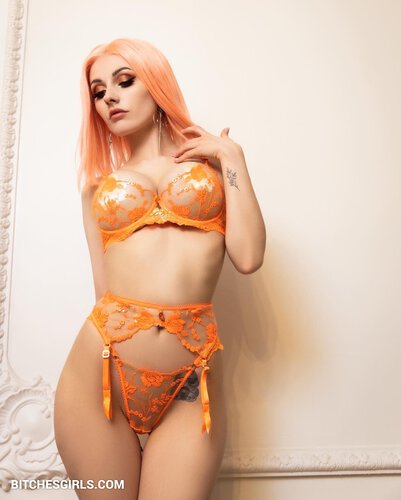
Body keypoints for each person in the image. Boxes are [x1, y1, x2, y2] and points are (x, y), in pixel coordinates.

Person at [54, 37, 266, 500]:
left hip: (191, 381)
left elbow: (249, 258)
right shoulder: (96, 189)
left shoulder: (214, 170)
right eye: (98, 91)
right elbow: (103, 290)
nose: (109, 97)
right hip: (99, 378)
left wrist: (233, 157)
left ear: (156, 84)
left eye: (124, 82)